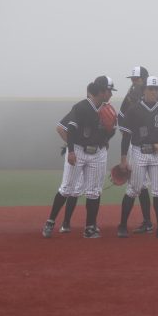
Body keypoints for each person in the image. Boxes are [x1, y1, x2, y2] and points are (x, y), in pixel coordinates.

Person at [42, 75, 117, 238]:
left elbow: (110, 132)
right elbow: (68, 129)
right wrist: (71, 150)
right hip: (79, 150)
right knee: (67, 188)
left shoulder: (108, 109)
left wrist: (108, 134)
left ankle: (90, 227)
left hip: (98, 153)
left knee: (94, 192)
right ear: (102, 91)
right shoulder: (82, 107)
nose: (111, 94)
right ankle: (50, 221)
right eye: (109, 91)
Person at [116, 76, 158, 238]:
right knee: (133, 189)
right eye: (151, 89)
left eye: (157, 89)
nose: (154, 92)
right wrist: (124, 158)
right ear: (144, 90)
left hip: (157, 154)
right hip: (139, 152)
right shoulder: (134, 109)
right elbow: (126, 136)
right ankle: (122, 225)